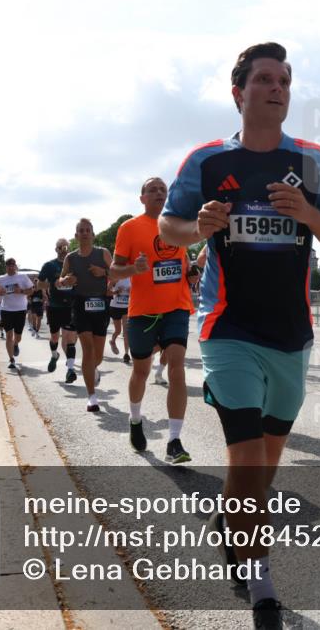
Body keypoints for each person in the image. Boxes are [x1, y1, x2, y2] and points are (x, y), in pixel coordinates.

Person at [158, 42, 320, 627]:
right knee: (244, 455)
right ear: (238, 92)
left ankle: (232, 523)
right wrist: (200, 226)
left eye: (285, 82)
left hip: (291, 333)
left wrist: (308, 216)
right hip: (227, 327)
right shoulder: (207, 161)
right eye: (266, 79)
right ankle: (261, 578)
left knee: (263, 465)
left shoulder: (314, 160)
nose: (277, 88)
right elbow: (171, 228)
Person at [112, 177, 200, 459]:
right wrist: (133, 269)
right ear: (142, 198)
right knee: (141, 371)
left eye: (163, 189)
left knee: (177, 366)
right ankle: (135, 419)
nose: (159, 192)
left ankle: (174, 441)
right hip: (143, 311)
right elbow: (114, 270)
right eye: (152, 189)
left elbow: (183, 262)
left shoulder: (178, 224)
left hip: (176, 307)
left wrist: (189, 272)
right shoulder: (130, 228)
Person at [59, 219, 112, 412]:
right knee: (88, 350)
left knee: (97, 356)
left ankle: (94, 370)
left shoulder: (103, 253)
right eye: (81, 231)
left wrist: (104, 272)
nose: (84, 233)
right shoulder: (71, 258)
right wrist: (66, 280)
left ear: (93, 234)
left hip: (100, 304)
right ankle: (92, 396)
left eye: (88, 230)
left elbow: (117, 273)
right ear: (76, 236)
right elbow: (60, 281)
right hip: (80, 304)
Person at [38, 239, 78, 379]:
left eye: (66, 247)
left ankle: (71, 369)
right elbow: (39, 285)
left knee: (69, 338)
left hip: (70, 306)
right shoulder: (49, 265)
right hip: (54, 306)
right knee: (55, 337)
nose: (64, 249)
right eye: (60, 247)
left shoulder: (75, 265)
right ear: (56, 249)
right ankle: (55, 355)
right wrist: (51, 283)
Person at [0, 258, 34, 371]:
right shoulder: (0, 279)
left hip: (20, 309)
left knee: (18, 336)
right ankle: (11, 360)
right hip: (6, 310)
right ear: (6, 267)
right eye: (8, 265)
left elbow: (31, 290)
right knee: (9, 334)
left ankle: (16, 344)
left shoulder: (23, 277)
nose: (10, 267)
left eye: (12, 265)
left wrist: (21, 291)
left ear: (15, 266)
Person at [108, 276, 132, 363]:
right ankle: (112, 341)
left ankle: (126, 354)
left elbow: (137, 292)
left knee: (126, 332)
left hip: (126, 307)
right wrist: (117, 291)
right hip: (115, 307)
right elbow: (107, 292)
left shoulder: (131, 277)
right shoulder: (115, 277)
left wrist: (131, 292)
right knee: (118, 330)